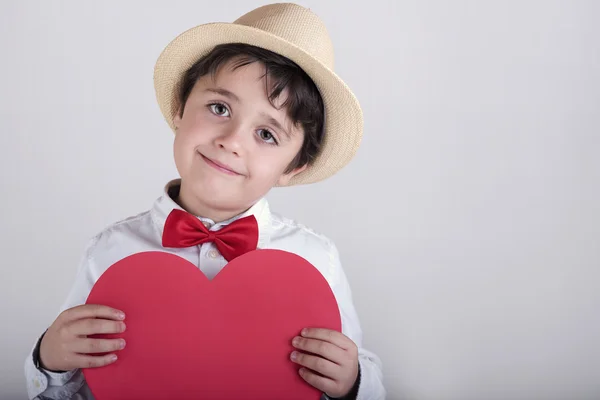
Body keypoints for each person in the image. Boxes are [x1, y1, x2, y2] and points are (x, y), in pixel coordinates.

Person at [24, 3, 385, 399]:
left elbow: (366, 378)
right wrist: (49, 361)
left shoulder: (318, 259)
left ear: (293, 167)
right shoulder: (108, 253)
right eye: (219, 108)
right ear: (180, 107)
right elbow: (70, 387)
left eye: (266, 134)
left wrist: (353, 382)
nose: (231, 140)